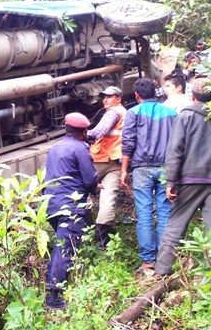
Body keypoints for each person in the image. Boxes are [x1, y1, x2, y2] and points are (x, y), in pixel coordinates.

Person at [155, 78, 211, 275]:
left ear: (192, 95)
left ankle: (162, 270)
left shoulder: (186, 115)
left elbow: (175, 150)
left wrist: (171, 181)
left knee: (176, 224)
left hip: (190, 178)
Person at [121, 78, 177, 271]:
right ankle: (164, 261)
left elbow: (128, 143)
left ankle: (147, 261)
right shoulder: (171, 113)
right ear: (156, 93)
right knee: (164, 213)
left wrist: (123, 171)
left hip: (141, 169)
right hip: (166, 168)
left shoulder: (133, 113)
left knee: (144, 213)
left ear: (137, 95)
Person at [44, 112, 98, 309]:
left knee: (61, 245)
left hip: (52, 204)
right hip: (70, 205)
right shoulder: (80, 149)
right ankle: (54, 297)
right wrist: (94, 191)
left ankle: (53, 281)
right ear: (84, 131)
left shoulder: (54, 148)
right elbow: (90, 178)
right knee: (65, 249)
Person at [87, 86, 127, 249]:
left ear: (118, 98)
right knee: (108, 199)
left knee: (82, 190)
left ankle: (84, 232)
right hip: (116, 161)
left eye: (109, 97)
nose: (105, 100)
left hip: (101, 160)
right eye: (104, 97)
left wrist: (83, 134)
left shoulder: (114, 112)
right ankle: (103, 242)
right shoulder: (125, 112)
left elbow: (100, 130)